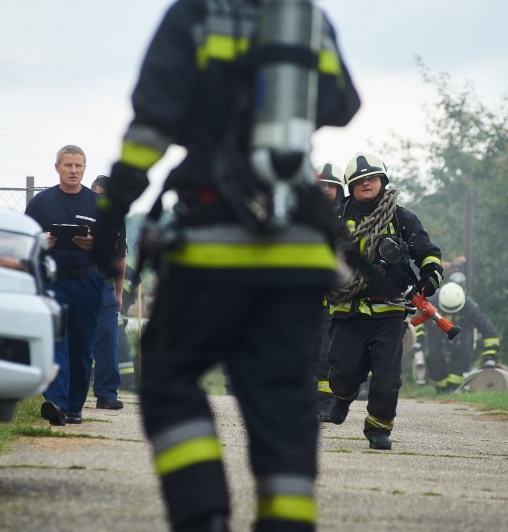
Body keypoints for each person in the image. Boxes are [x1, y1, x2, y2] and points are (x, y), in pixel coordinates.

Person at [91, 2, 360, 531]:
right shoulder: (304, 16)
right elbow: (343, 103)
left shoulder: (196, 13)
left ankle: (203, 515)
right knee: (283, 392)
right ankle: (287, 522)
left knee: (169, 374)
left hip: (214, 244)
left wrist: (116, 203)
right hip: (298, 247)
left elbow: (153, 120)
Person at [325, 152, 443, 451]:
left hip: (389, 311)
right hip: (346, 309)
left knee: (387, 376)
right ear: (350, 186)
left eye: (373, 179)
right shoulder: (334, 218)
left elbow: (428, 254)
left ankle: (378, 429)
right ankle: (343, 395)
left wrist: (429, 278)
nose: (367, 184)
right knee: (343, 372)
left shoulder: (402, 219)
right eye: (360, 181)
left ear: (382, 181)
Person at [24, 146, 125, 425]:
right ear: (57, 167)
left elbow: (115, 246)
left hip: (88, 280)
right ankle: (56, 402)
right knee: (56, 341)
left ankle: (74, 407)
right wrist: (40, 241)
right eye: (67, 165)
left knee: (81, 347)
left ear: (85, 169)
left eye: (78, 166)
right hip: (53, 281)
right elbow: (23, 240)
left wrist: (95, 243)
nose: (73, 170)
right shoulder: (40, 204)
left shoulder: (98, 204)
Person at [419, 282, 500, 393]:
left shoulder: (470, 308)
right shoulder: (429, 302)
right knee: (434, 355)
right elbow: (417, 322)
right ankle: (441, 389)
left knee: (463, 351)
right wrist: (419, 341)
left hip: (461, 329)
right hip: (436, 329)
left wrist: (490, 358)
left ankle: (455, 388)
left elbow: (489, 332)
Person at [89, 175, 127, 409]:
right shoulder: (79, 215)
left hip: (104, 284)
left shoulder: (116, 221)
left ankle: (106, 393)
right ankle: (65, 392)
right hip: (80, 279)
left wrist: (119, 293)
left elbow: (120, 258)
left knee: (107, 337)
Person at [313, 163, 345, 421]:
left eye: (330, 186)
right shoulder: (301, 216)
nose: (325, 190)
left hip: (335, 301)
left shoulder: (347, 219)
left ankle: (326, 403)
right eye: (321, 185)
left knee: (327, 355)